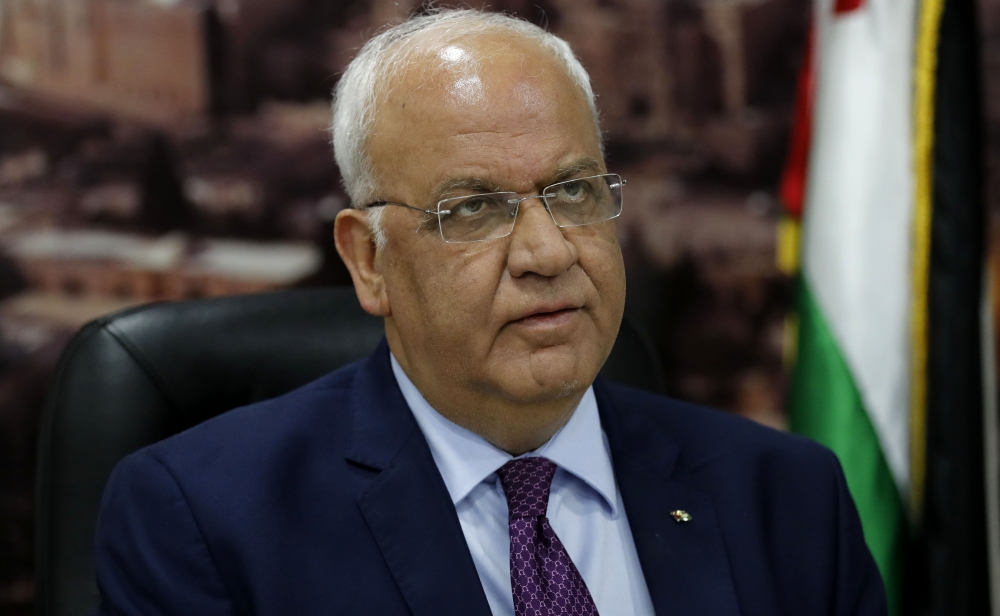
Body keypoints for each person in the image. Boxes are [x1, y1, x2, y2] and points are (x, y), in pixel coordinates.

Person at [92, 9, 886, 616]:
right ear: (370, 261)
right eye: (472, 209)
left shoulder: (788, 498)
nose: (547, 252)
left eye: (574, 192)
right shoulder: (202, 518)